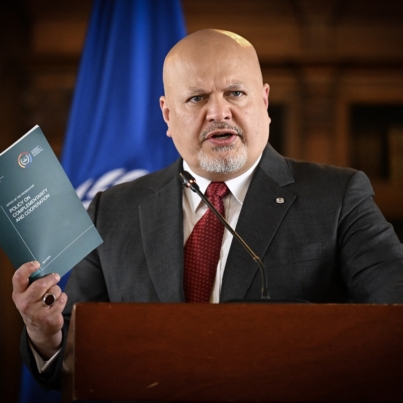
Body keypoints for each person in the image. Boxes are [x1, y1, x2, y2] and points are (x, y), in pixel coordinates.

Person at [12, 29, 403, 391]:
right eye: (197, 98)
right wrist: (43, 336)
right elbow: (71, 358)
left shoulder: (338, 197)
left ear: (263, 102)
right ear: (167, 115)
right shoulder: (112, 210)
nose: (219, 112)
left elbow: (394, 317)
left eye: (235, 93)